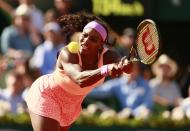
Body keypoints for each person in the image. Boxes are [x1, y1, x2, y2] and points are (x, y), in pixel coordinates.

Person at [25, 12, 132, 131]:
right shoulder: (68, 53)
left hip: (71, 106)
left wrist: (126, 64)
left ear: (101, 45)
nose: (86, 41)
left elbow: (125, 66)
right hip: (47, 95)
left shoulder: (109, 56)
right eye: (85, 35)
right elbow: (79, 78)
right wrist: (106, 69)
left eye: (93, 39)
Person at [87, 62, 153, 119]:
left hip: (139, 116)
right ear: (123, 70)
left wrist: (132, 113)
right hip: (119, 115)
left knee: (146, 113)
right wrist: (82, 90)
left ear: (138, 71)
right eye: (128, 68)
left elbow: (147, 104)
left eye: (133, 68)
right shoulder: (116, 83)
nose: (131, 71)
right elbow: (100, 92)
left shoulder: (146, 85)